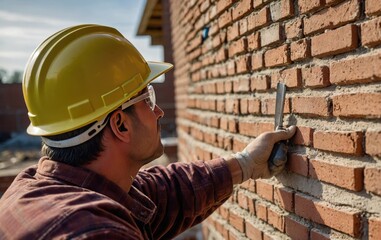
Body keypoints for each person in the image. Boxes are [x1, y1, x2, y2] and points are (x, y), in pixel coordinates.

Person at [0, 24, 296, 239]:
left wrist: (246, 164)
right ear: (120, 124)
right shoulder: (93, 232)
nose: (158, 112)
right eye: (148, 99)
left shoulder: (36, 187)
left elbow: (164, 193)